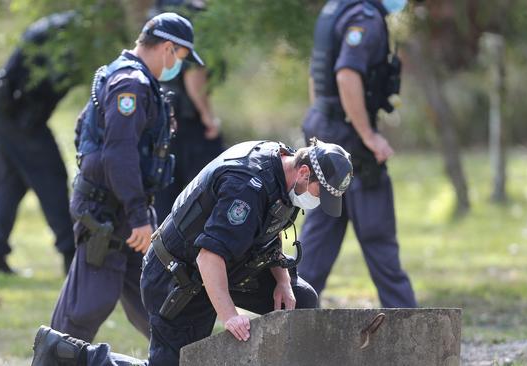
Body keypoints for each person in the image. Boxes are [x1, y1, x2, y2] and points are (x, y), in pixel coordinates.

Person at [31, 138, 354, 366]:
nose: (316, 202)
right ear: (303, 173)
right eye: (318, 193)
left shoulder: (281, 170)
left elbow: (268, 230)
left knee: (301, 298)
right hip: (177, 276)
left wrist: (283, 281)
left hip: (229, 267)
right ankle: (71, 355)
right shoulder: (246, 184)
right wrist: (230, 316)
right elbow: (208, 256)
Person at [49, 12, 204, 343]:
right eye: (181, 58)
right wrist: (137, 215)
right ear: (167, 49)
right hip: (107, 213)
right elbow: (118, 154)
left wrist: (139, 212)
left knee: (157, 302)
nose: (179, 66)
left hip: (127, 209)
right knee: (88, 305)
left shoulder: (128, 77)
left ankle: (179, 356)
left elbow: (86, 131)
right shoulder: (130, 84)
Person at [298, 0, 417, 308]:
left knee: (319, 237)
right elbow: (346, 75)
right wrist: (368, 135)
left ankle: (287, 322)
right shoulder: (366, 19)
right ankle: (409, 328)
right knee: (379, 240)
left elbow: (316, 75)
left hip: (325, 129)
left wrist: (324, 127)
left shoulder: (335, 9)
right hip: (349, 143)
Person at [0, 11, 80, 274]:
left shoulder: (66, 29)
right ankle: (71, 255)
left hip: (10, 110)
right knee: (50, 175)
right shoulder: (67, 35)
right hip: (15, 113)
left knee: (11, 179)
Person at [150, 0, 225, 224]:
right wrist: (207, 115)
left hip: (158, 116)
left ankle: (158, 256)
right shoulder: (193, 16)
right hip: (187, 121)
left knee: (162, 199)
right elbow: (194, 72)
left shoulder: (158, 13)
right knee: (208, 198)